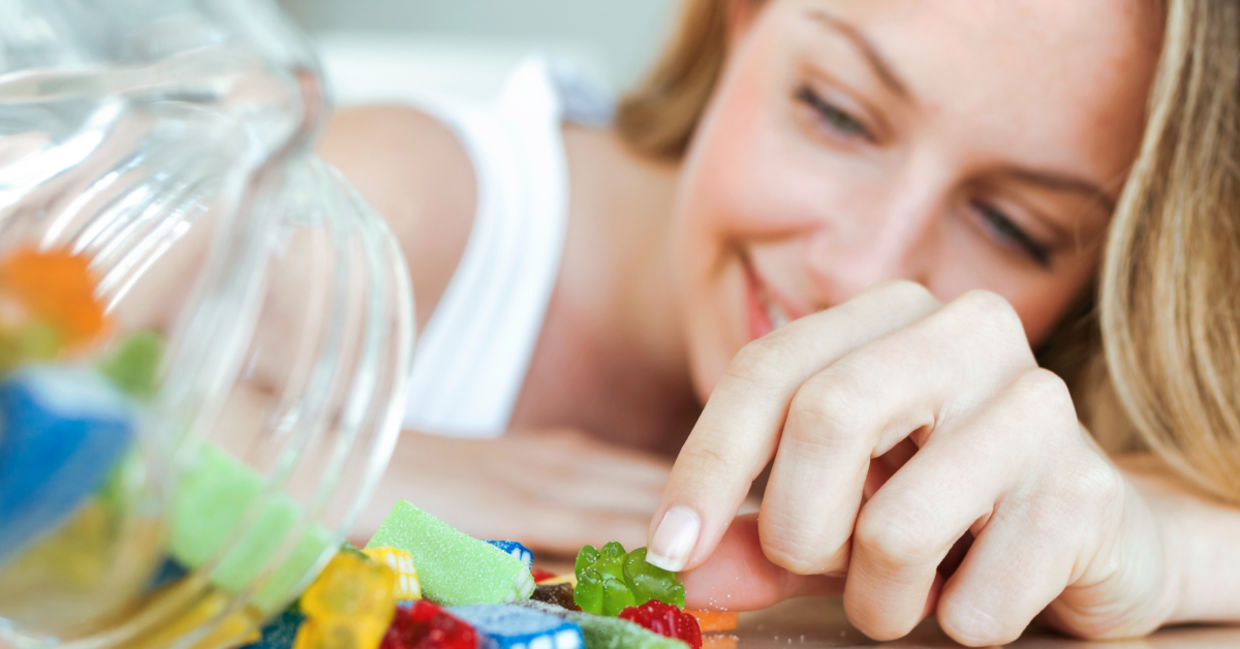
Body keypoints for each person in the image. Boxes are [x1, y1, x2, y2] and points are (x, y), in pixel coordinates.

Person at [319, 0, 1240, 645]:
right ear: (738, 16)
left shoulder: (1049, 398)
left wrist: (1163, 546)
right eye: (837, 114)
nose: (864, 269)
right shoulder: (396, 208)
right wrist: (333, 465)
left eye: (1014, 226)